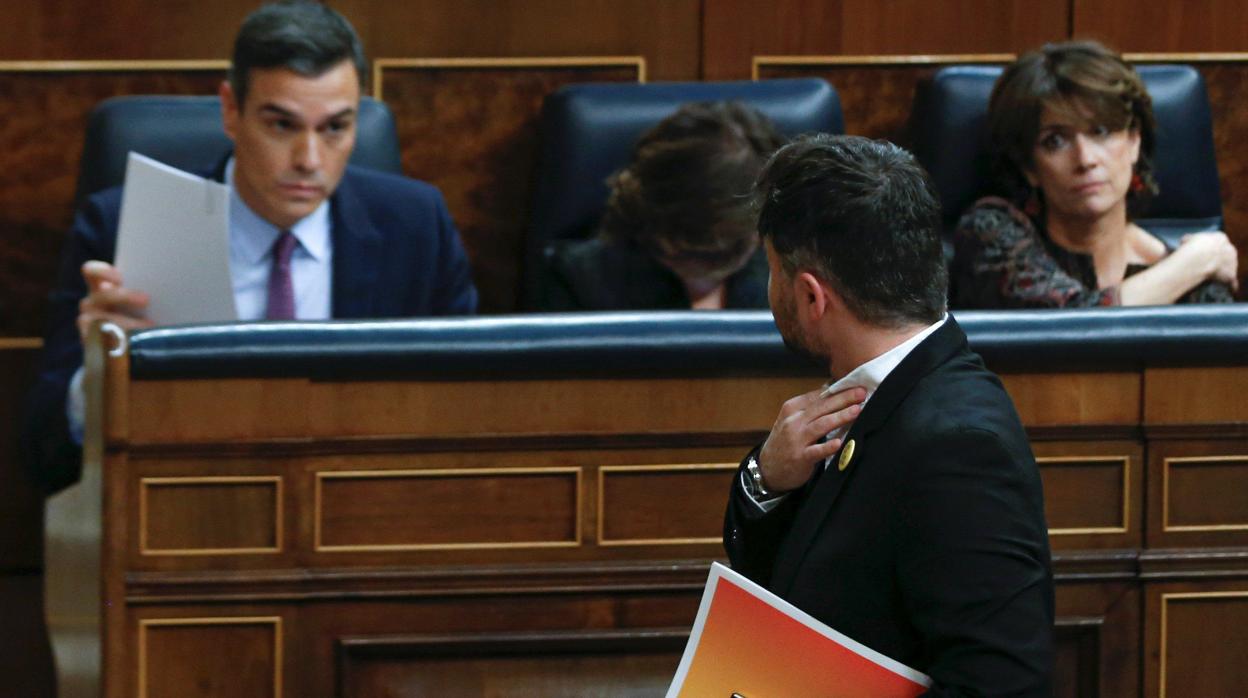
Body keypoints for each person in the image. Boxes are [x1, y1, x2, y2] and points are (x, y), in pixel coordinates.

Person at [23, 0, 477, 493]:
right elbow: (43, 461)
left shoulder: (415, 228)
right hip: (186, 512)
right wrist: (95, 376)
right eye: (281, 125)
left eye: (335, 128)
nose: (308, 160)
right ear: (231, 110)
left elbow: (468, 417)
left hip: (362, 511)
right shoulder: (123, 226)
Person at [724, 134, 1054, 695]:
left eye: (774, 271)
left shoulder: (960, 444)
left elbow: (1000, 684)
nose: (770, 290)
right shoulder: (880, 393)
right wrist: (765, 479)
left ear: (811, 297)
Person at [952, 40, 1238, 308]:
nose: (1085, 160)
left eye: (1100, 132)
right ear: (1029, 167)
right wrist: (1194, 263)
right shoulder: (990, 235)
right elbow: (1067, 327)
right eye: (1055, 141)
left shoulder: (1195, 280)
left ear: (1134, 141)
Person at [536, 101, 785, 311]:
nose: (701, 268)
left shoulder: (794, 276)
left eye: (726, 248)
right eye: (687, 250)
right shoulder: (580, 280)